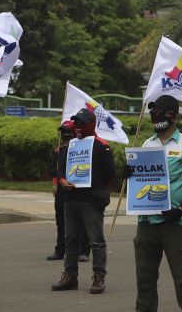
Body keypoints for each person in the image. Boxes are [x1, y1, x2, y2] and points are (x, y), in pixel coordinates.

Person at [131, 94, 182, 312]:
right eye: (152, 113)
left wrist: (181, 209)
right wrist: (130, 174)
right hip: (147, 223)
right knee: (145, 281)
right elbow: (141, 182)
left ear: (172, 116)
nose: (154, 116)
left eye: (159, 113)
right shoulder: (147, 143)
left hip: (176, 224)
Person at [51, 108, 115, 294]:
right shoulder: (70, 146)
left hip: (91, 201)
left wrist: (94, 186)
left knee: (96, 241)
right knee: (71, 240)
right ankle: (70, 277)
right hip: (70, 200)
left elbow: (110, 174)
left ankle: (98, 277)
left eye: (81, 123)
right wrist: (62, 180)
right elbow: (60, 169)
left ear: (91, 125)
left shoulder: (101, 146)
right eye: (75, 123)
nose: (77, 127)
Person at [46, 120, 91, 262]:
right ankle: (60, 250)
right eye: (62, 130)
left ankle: (83, 251)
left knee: (82, 221)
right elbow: (51, 170)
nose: (64, 133)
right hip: (62, 190)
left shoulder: (82, 149)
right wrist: (61, 177)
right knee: (61, 221)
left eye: (67, 130)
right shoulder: (57, 151)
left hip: (78, 190)